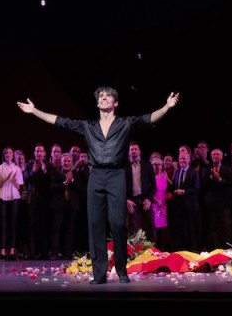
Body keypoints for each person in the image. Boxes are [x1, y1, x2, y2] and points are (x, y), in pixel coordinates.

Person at [17, 87, 179, 284]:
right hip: (96, 176)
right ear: (97, 104)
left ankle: (121, 270)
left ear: (115, 103)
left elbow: (148, 119)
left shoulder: (125, 124)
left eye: (107, 96)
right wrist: (35, 111)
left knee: (118, 223)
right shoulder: (89, 126)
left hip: (117, 175)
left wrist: (166, 107)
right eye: (100, 96)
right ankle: (100, 274)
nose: (103, 98)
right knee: (95, 225)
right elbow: (60, 121)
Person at [0, 147, 23, 260]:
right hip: (1, 197)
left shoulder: (17, 169)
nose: (8, 155)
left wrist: (14, 180)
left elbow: (19, 187)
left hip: (13, 197)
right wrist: (6, 179)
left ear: (13, 155)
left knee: (13, 224)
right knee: (3, 225)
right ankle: (2, 251)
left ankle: (12, 250)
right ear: (3, 155)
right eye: (6, 153)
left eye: (10, 153)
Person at [49, 153, 82, 260]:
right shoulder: (56, 173)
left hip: (71, 205)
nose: (66, 163)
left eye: (68, 161)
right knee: (56, 229)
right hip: (59, 205)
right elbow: (52, 187)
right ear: (61, 162)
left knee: (70, 230)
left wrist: (71, 181)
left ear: (72, 162)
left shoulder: (76, 174)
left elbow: (81, 188)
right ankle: (55, 252)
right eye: (64, 161)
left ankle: (68, 253)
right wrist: (63, 183)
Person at [23, 143, 53, 259]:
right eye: (37, 151)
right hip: (33, 200)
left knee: (44, 226)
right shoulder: (29, 165)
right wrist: (33, 171)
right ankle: (33, 252)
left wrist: (45, 171)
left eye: (41, 151)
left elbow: (52, 179)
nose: (39, 153)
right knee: (32, 226)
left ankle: (44, 252)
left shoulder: (49, 165)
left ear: (45, 153)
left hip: (45, 200)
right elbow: (26, 179)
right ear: (34, 153)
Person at [202, 148, 232, 249]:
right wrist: (212, 178)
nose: (215, 156)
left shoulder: (227, 169)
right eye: (213, 154)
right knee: (213, 226)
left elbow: (228, 184)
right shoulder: (206, 169)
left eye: (217, 154)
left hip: (224, 202)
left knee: (226, 225)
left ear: (221, 156)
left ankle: (226, 248)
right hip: (211, 202)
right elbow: (205, 184)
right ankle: (216, 248)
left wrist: (219, 179)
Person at [168, 151, 200, 252]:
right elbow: (174, 187)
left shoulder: (194, 173)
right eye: (180, 159)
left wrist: (183, 191)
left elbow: (196, 189)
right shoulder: (177, 172)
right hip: (178, 205)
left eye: (184, 159)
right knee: (179, 227)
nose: (182, 161)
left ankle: (193, 248)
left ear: (189, 160)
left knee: (191, 227)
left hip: (190, 205)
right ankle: (180, 248)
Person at [125, 141, 156, 243]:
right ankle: (137, 250)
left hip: (145, 199)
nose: (133, 151)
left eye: (135, 149)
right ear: (129, 152)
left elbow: (153, 184)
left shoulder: (147, 165)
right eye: (131, 150)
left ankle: (153, 249)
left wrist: (149, 199)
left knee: (150, 224)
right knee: (134, 227)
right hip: (131, 200)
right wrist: (126, 200)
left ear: (140, 151)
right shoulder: (124, 167)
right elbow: (119, 186)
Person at [150, 154, 170, 250]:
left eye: (159, 165)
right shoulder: (150, 177)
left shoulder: (163, 176)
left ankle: (162, 251)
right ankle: (155, 250)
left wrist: (167, 196)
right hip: (154, 207)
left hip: (163, 207)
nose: (157, 167)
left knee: (163, 230)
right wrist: (154, 199)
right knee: (155, 229)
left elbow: (164, 190)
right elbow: (146, 191)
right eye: (155, 165)